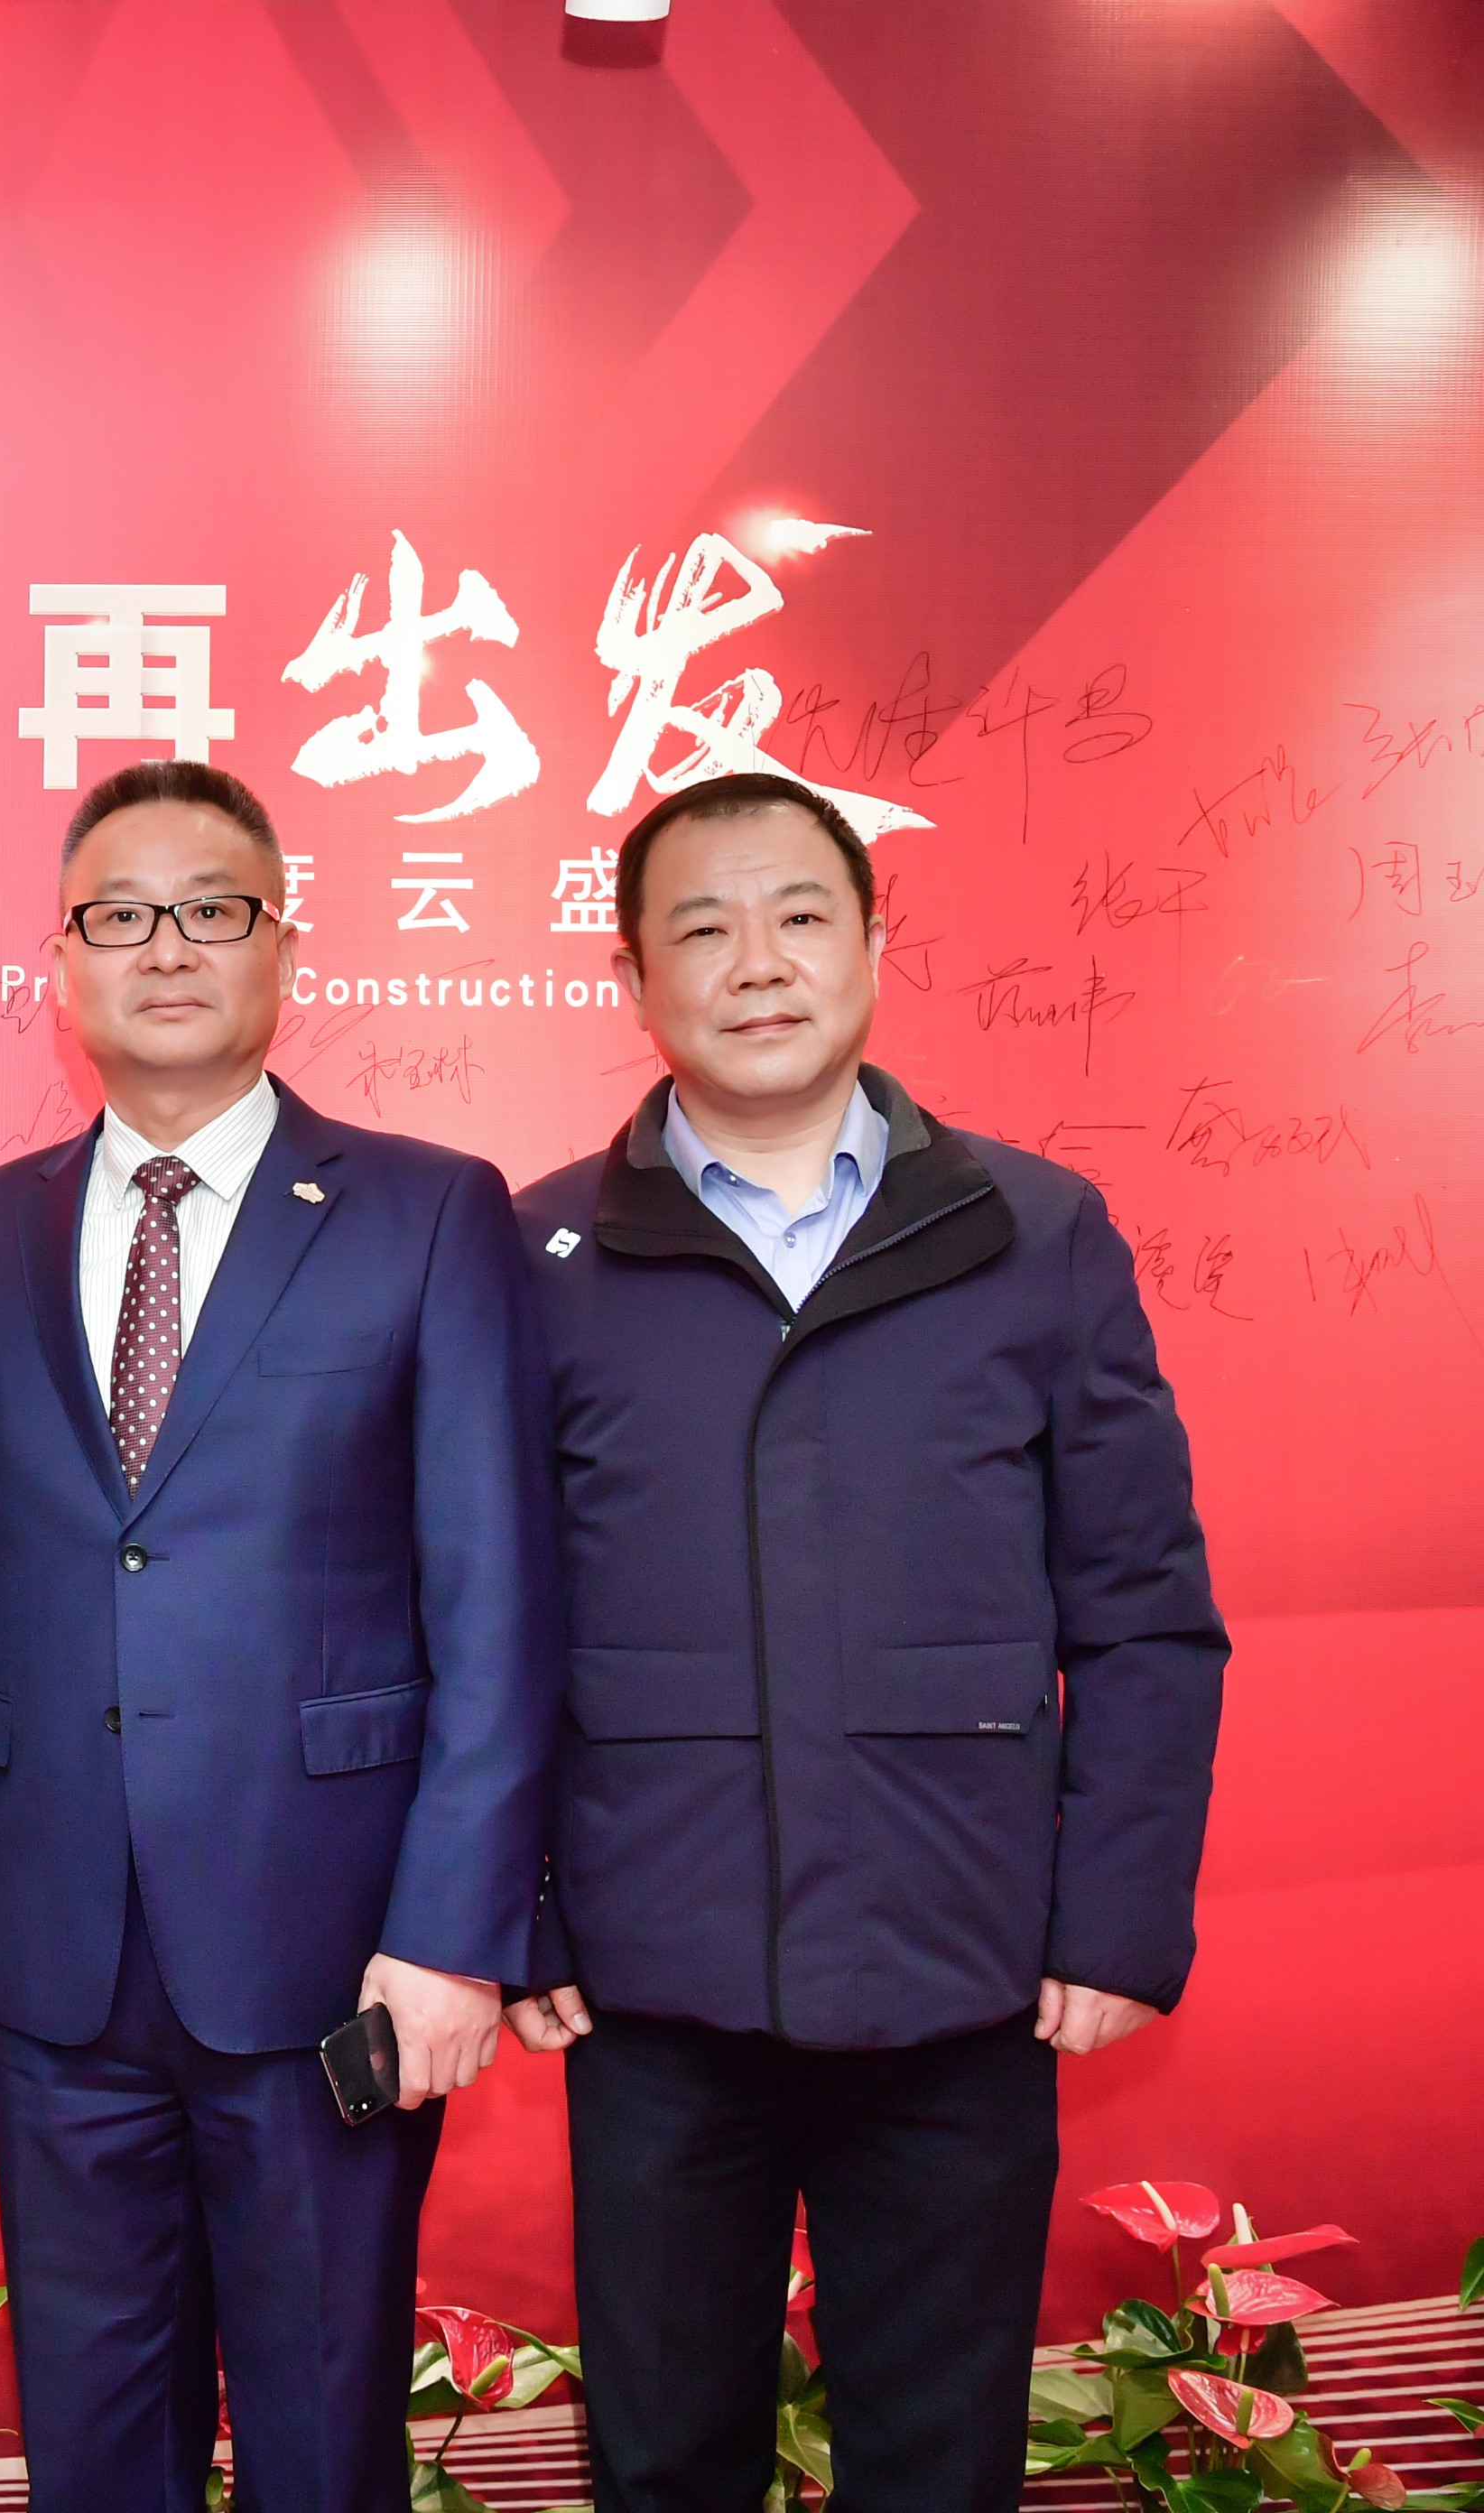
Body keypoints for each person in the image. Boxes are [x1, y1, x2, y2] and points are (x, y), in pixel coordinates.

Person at [507, 770, 1229, 2513]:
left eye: (801, 915)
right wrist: (515, 1910)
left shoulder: (1035, 1233)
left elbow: (1143, 1606)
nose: (758, 962)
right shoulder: (539, 1256)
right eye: (702, 927)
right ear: (633, 977)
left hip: (960, 1961)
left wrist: (1116, 1917)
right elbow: (486, 1622)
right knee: (663, 2457)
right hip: (651, 1979)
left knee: (939, 2461)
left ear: (875, 944)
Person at [0, 761, 561, 2513]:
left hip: (329, 1945)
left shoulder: (430, 1211)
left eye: (213, 909)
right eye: (120, 916)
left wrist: (454, 1935)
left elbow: (497, 1599)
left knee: (320, 2436)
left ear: (284, 944)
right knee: (91, 2442)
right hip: (55, 1949)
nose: (168, 948)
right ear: (62, 962)